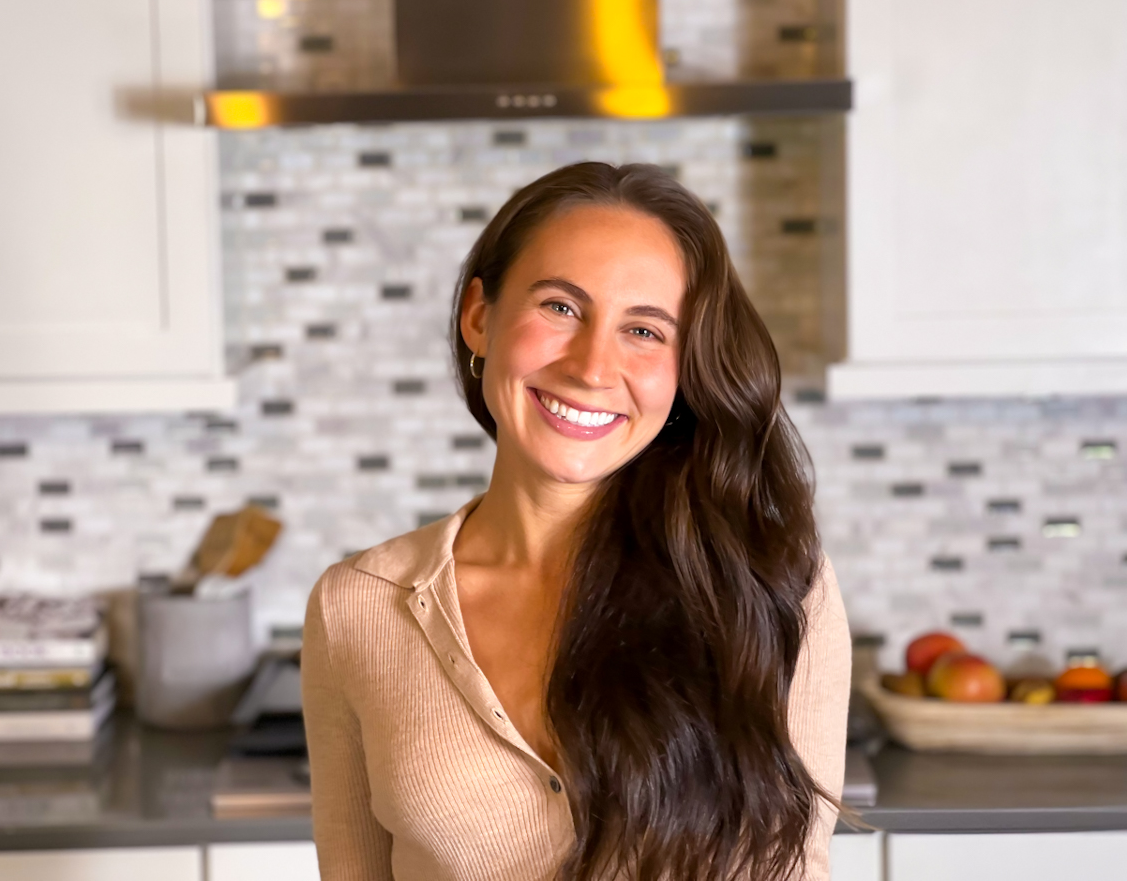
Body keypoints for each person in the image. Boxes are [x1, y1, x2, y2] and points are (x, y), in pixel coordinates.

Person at [302, 162, 851, 881]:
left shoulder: (771, 579)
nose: (594, 367)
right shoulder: (358, 606)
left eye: (646, 330)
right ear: (479, 316)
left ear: (685, 368)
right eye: (561, 307)